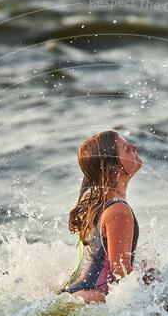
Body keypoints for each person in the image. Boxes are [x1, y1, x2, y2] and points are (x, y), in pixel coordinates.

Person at [61, 130, 153, 303]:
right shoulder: (118, 210)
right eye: (126, 149)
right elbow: (122, 275)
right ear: (113, 169)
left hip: (76, 293)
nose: (135, 146)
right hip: (92, 298)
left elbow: (102, 257)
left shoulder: (94, 203)